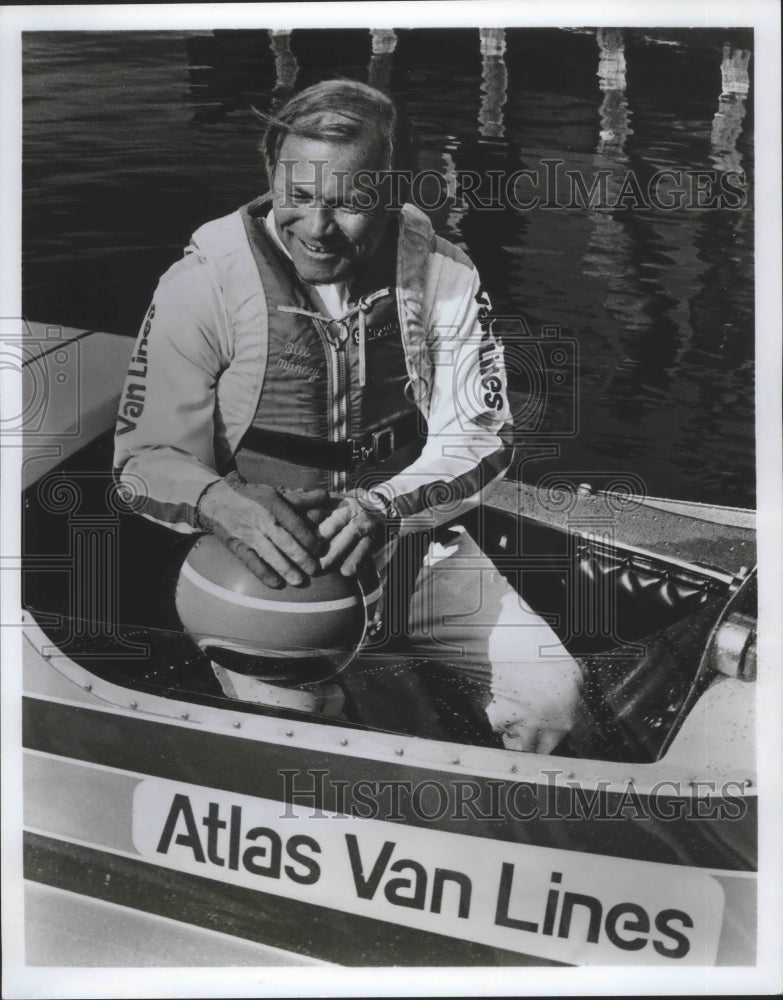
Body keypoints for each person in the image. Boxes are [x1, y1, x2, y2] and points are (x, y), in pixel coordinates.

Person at [113, 79, 582, 753]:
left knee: (551, 701)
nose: (315, 229)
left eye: (348, 204)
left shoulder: (445, 277)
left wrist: (381, 510)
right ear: (270, 173)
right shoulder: (202, 283)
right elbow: (143, 462)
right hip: (271, 574)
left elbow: (480, 439)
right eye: (296, 197)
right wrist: (221, 503)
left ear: (393, 192)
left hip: (414, 550)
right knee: (307, 746)